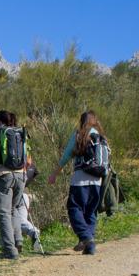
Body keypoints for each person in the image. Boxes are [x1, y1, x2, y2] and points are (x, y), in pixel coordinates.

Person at [48, 109, 109, 255]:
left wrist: (54, 174)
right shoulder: (101, 137)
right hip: (97, 180)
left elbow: (66, 155)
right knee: (90, 211)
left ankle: (87, 237)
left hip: (80, 179)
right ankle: (89, 246)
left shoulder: (79, 135)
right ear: (95, 120)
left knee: (74, 208)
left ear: (82, 121)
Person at [0, 110, 31, 259]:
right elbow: (29, 160)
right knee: (14, 210)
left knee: (4, 212)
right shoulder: (21, 133)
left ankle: (9, 249)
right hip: (21, 175)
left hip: (4, 175)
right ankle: (18, 242)